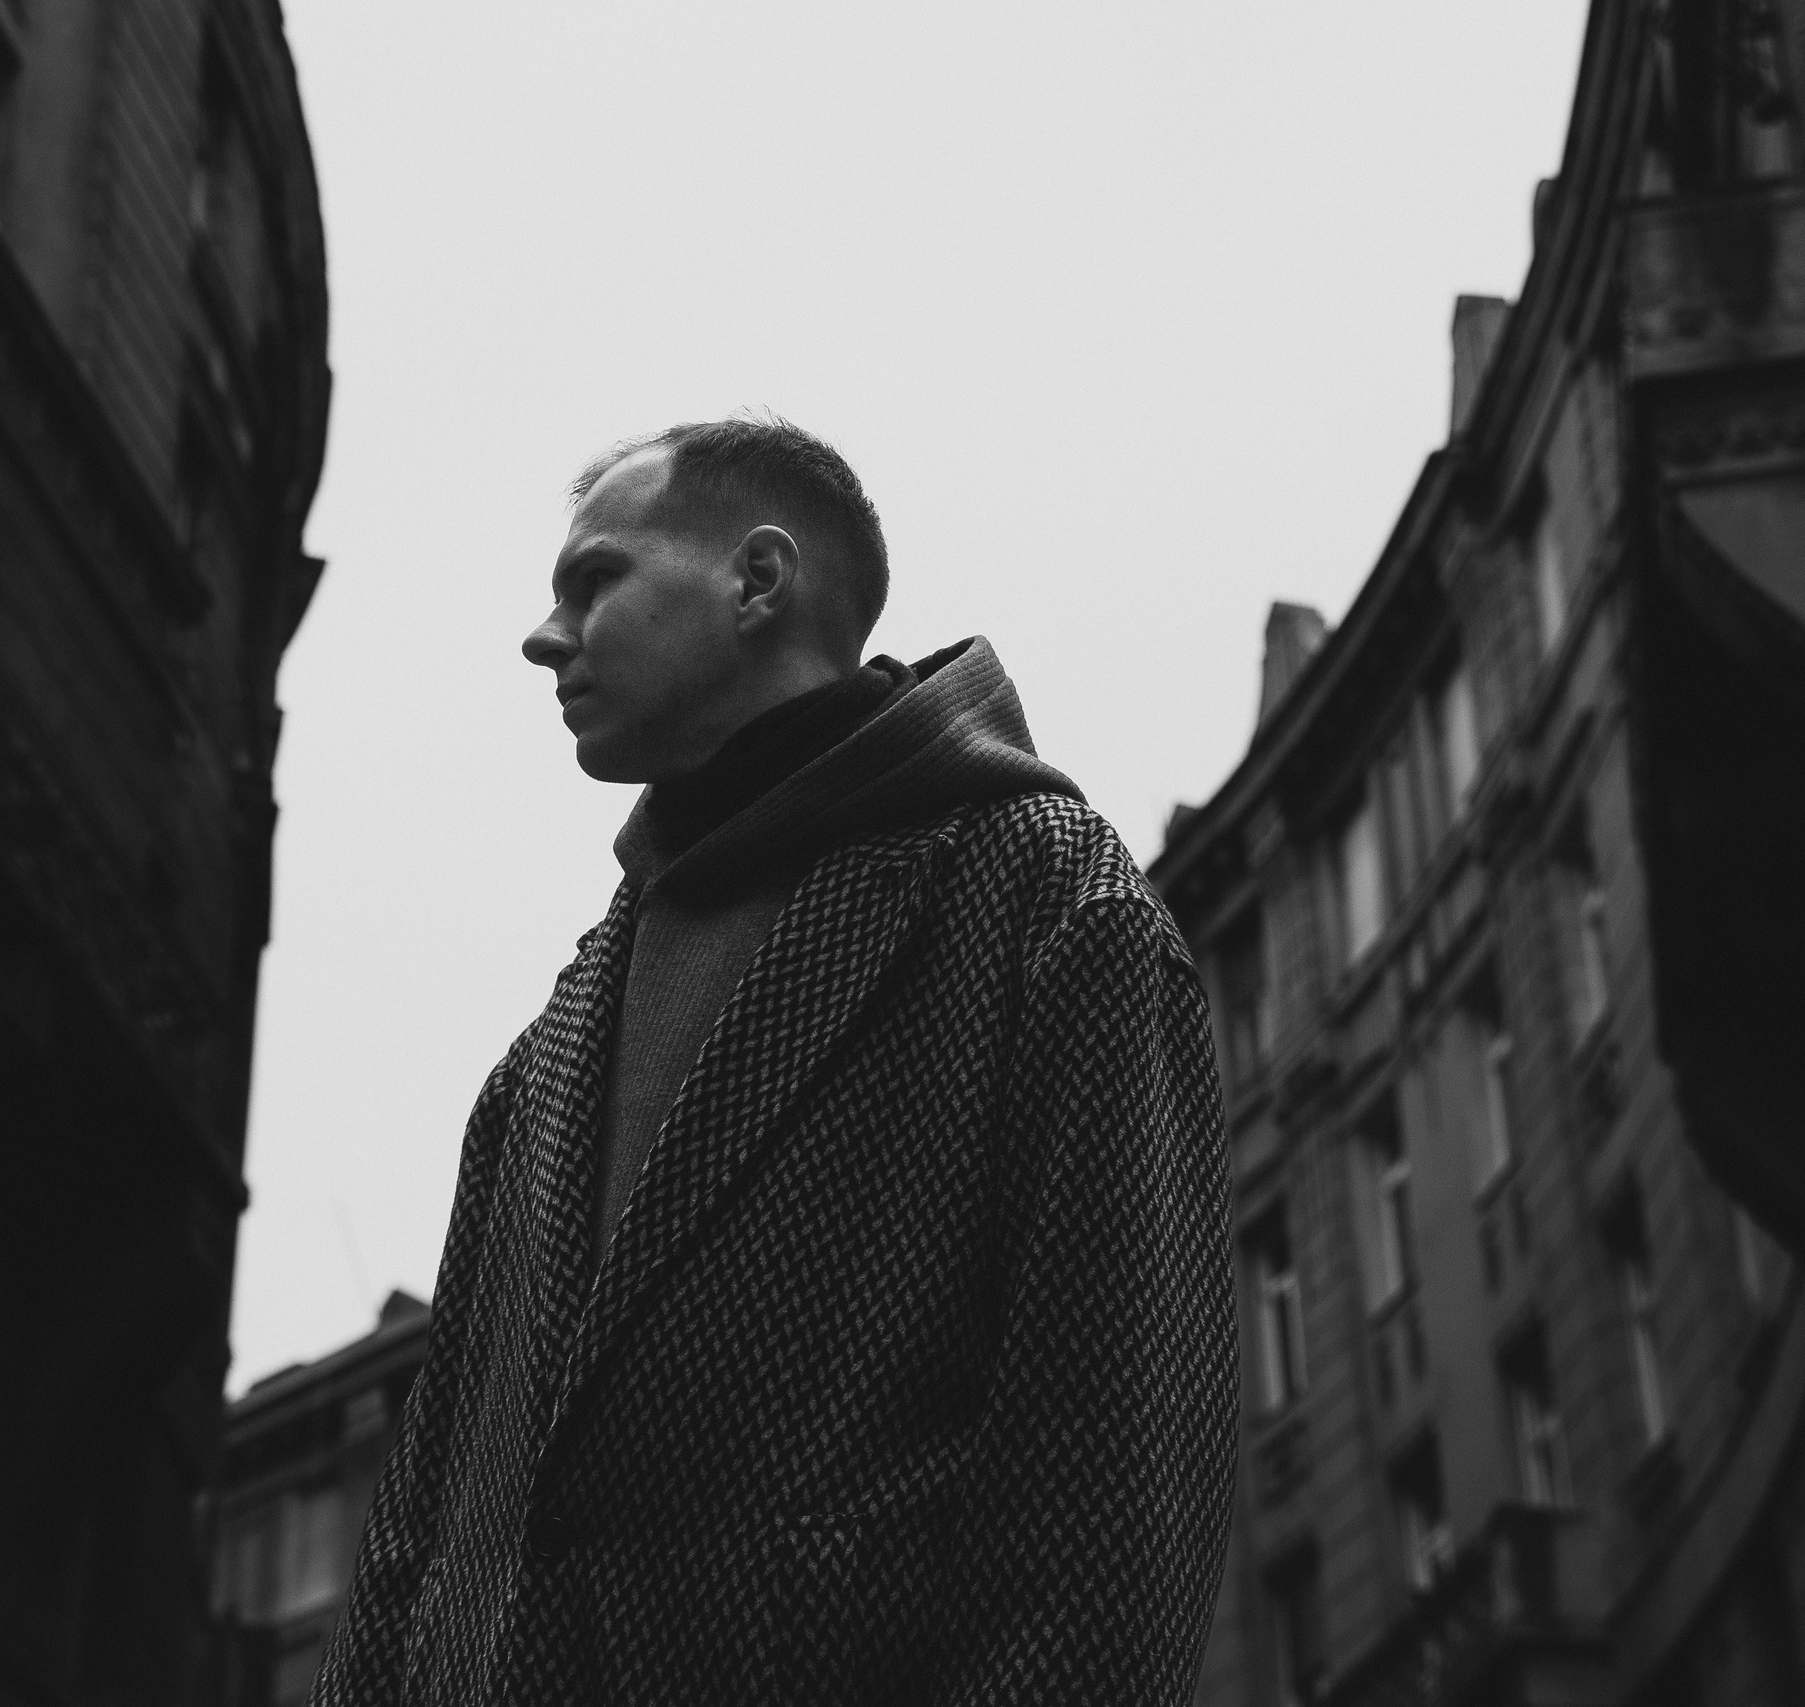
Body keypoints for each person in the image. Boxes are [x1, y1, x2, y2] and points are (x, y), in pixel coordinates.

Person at [311, 417, 1237, 1706]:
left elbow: (1115, 1480)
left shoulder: (1042, 902)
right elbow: (418, 1535)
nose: (544, 634)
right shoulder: (548, 1054)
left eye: (596, 580)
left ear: (757, 582)